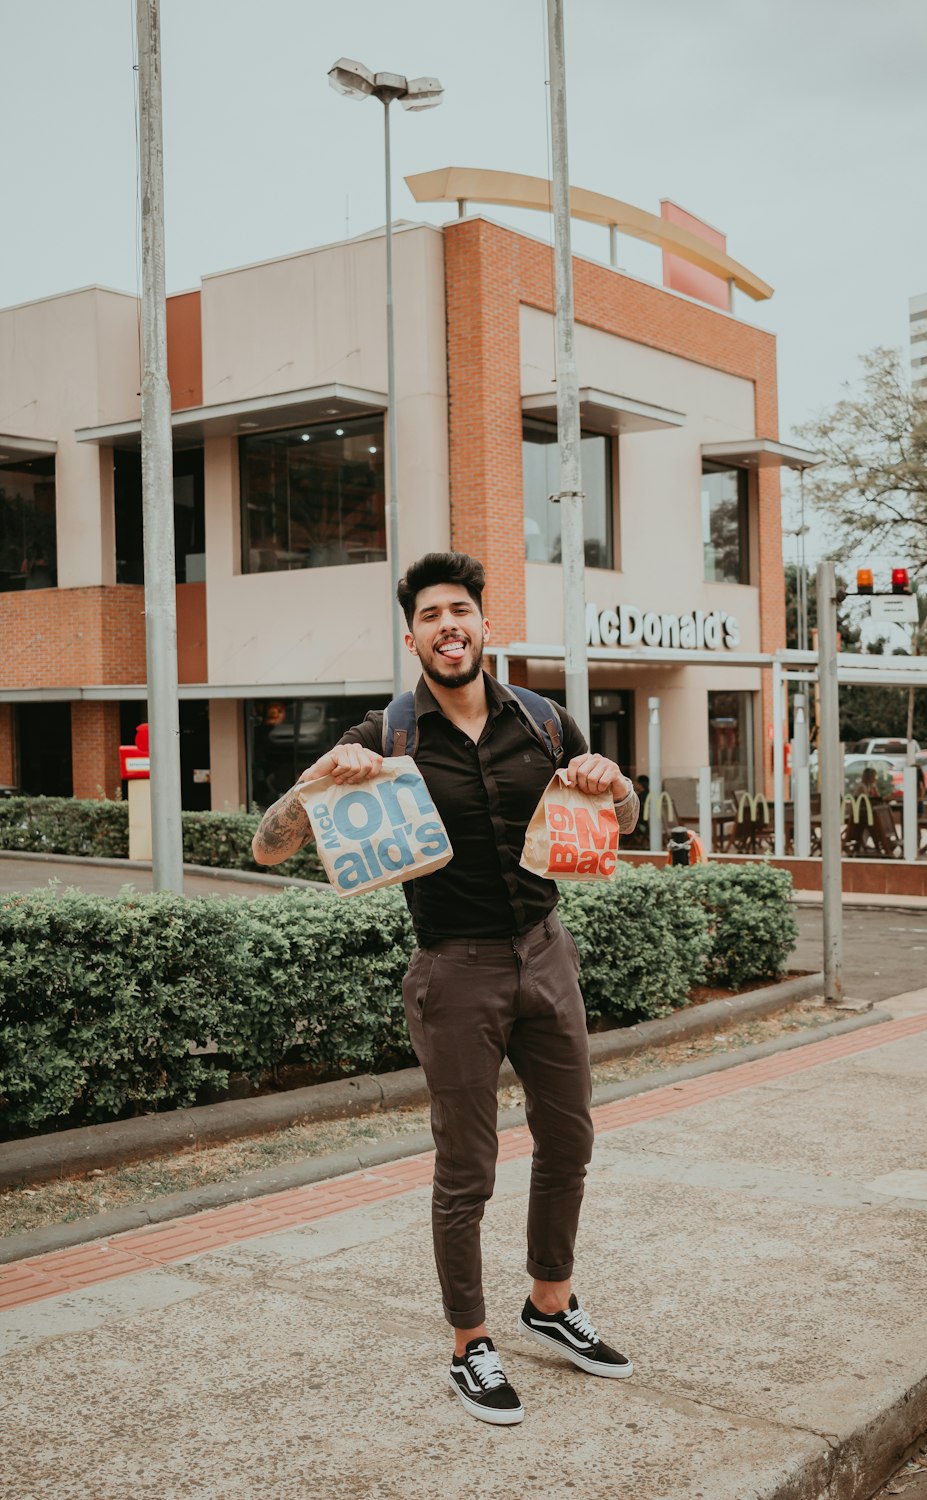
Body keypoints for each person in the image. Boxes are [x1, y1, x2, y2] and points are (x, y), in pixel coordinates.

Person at [252, 551, 639, 1426]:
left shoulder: (543, 721)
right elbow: (268, 848)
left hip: (547, 953)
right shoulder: (384, 736)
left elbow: (625, 817)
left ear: (483, 624)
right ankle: (470, 1345)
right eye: (430, 616)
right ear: (413, 635)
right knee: (468, 1168)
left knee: (570, 1139)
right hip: (454, 970)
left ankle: (550, 1302)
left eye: (460, 609)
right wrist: (316, 782)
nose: (448, 626)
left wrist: (616, 785)